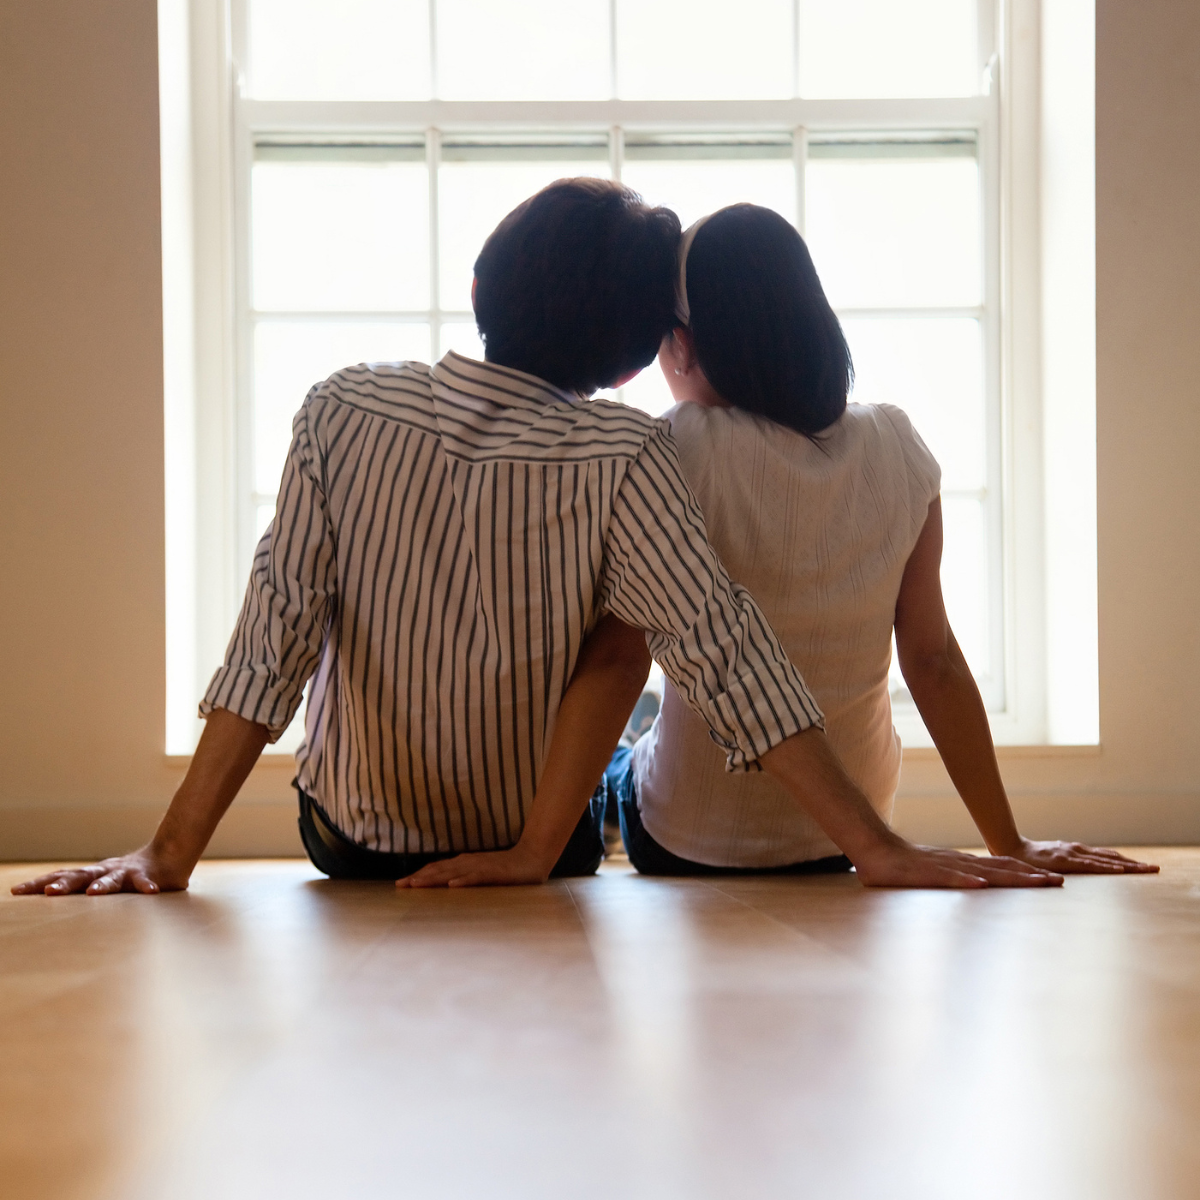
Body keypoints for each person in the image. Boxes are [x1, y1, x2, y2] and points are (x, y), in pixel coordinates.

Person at [15, 181, 1065, 901]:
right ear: (627, 365)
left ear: (480, 289)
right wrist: (874, 844)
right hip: (546, 847)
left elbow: (274, 636)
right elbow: (722, 647)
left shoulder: (338, 410)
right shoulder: (625, 449)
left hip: (348, 844)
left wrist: (170, 850)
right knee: (618, 738)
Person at [597, 202, 1156, 880]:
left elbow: (617, 659)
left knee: (622, 756)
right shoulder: (897, 443)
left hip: (686, 840)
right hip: (853, 836)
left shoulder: (672, 447)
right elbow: (934, 660)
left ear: (684, 343)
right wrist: (1009, 840)